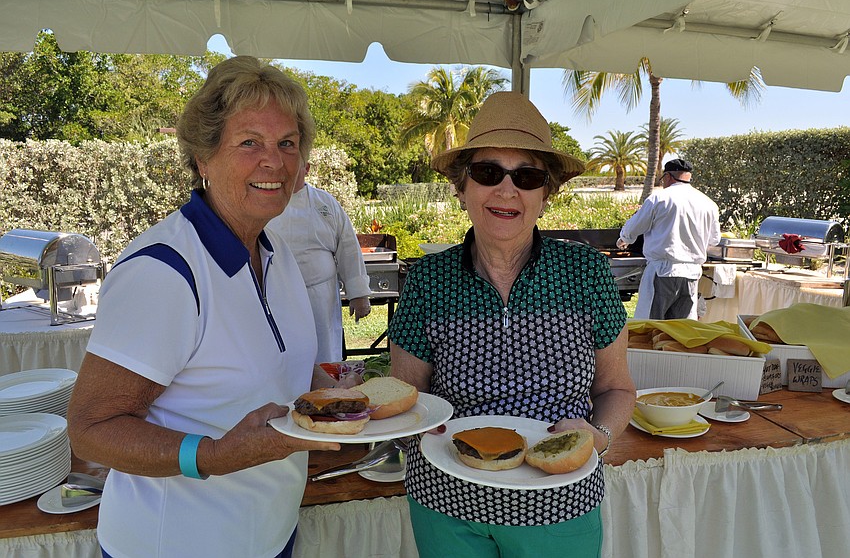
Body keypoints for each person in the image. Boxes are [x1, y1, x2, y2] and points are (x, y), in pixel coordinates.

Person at [66, 56, 349, 558]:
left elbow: (273, 374)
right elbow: (91, 430)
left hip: (268, 533)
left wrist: (332, 391)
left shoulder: (274, 251)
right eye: (249, 143)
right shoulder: (165, 271)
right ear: (203, 158)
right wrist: (214, 456)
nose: (274, 161)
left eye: (287, 143)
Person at [388, 91, 635, 558]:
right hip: (447, 504)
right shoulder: (427, 280)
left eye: (526, 176)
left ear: (546, 193)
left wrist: (596, 437)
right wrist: (409, 430)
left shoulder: (586, 274)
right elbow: (407, 400)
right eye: (487, 173)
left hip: (558, 504)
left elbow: (617, 390)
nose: (506, 190)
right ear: (462, 189)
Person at [265, 162, 371, 363]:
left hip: (321, 299)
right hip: (277, 295)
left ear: (307, 168)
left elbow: (348, 248)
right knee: (284, 357)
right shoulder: (264, 203)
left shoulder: (325, 203)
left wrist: (359, 294)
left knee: (325, 355)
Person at [616, 158, 721, 320]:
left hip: (663, 272)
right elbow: (714, 240)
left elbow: (634, 227)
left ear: (668, 176)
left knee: (651, 327)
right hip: (691, 274)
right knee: (681, 330)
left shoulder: (659, 199)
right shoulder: (709, 204)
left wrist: (623, 239)